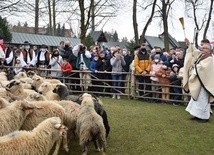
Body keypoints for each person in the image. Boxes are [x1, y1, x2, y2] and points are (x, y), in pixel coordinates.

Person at [184, 38, 214, 123]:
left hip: (205, 83)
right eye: (202, 48)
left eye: (204, 48)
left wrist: (195, 66)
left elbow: (204, 68)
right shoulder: (202, 55)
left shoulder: (210, 58)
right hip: (199, 82)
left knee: (203, 99)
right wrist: (189, 44)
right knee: (197, 99)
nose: (202, 49)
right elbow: (195, 51)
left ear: (209, 50)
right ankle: (197, 115)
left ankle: (204, 117)